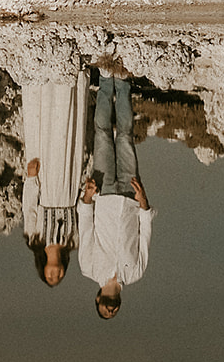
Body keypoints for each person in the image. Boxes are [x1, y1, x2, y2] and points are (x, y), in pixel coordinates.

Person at [77, 70, 154, 319]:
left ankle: (106, 79)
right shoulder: (135, 274)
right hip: (131, 197)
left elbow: (86, 230)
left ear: (97, 299)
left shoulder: (88, 268)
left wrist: (87, 198)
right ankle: (121, 81)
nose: (110, 308)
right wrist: (144, 204)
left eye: (104, 310)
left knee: (101, 134)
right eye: (114, 311)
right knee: (125, 136)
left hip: (103, 193)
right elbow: (145, 236)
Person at [20, 72, 90, 288]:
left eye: (50, 277)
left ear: (43, 270)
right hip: (69, 185)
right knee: (68, 137)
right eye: (58, 278)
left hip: (48, 187)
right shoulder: (74, 242)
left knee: (49, 137)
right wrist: (86, 193)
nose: (55, 275)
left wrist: (31, 179)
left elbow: (29, 208)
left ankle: (46, 84)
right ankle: (71, 82)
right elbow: (83, 214)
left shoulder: (34, 239)